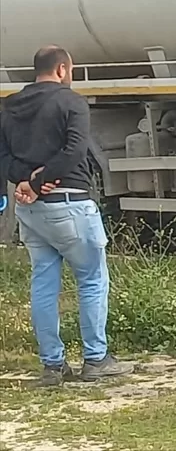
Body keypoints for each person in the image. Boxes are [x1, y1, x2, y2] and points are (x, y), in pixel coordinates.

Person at [0, 46, 134, 386]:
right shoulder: (70, 101)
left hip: (30, 210)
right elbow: (75, 151)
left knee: (43, 283)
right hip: (71, 204)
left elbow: (4, 156)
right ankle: (96, 359)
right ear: (62, 69)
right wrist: (40, 180)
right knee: (91, 280)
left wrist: (27, 182)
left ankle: (52, 365)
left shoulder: (10, 105)